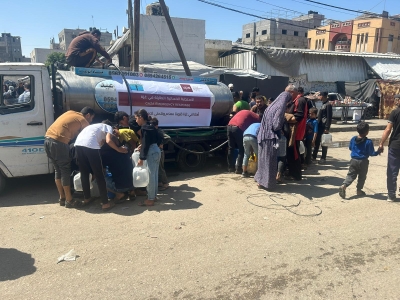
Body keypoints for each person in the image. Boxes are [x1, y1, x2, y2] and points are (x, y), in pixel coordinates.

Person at [44, 107, 95, 207]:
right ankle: (69, 200)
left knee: (57, 170)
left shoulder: (70, 112)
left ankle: (62, 197)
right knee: (65, 170)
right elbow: (86, 139)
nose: (91, 121)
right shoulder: (83, 121)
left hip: (47, 140)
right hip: (59, 143)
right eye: (92, 118)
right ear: (88, 115)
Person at [74, 123, 128, 211]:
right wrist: (119, 149)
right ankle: (105, 204)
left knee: (84, 173)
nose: (117, 136)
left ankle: (87, 198)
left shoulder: (95, 127)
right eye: (116, 134)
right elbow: (108, 141)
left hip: (78, 144)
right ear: (114, 129)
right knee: (99, 174)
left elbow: (101, 142)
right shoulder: (108, 127)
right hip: (90, 144)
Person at [255, 85, 295, 190]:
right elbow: (276, 124)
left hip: (262, 136)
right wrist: (280, 129)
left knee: (262, 161)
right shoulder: (281, 106)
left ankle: (260, 182)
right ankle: (268, 184)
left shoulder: (271, 106)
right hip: (270, 138)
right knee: (270, 162)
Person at [339, 122, 381, 199]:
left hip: (353, 160)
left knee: (351, 175)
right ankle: (359, 190)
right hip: (363, 161)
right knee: (362, 176)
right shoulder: (368, 142)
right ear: (367, 132)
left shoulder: (353, 139)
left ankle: (344, 185)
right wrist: (378, 151)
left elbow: (350, 148)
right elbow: (372, 153)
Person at [100, 121, 135, 204]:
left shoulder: (105, 154)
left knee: (100, 177)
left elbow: (103, 170)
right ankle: (132, 192)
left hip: (120, 187)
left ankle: (119, 194)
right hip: (133, 184)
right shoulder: (125, 149)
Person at [135, 109, 163, 206]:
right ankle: (153, 196)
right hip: (156, 150)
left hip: (151, 151)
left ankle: (150, 199)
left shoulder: (144, 128)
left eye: (136, 118)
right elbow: (159, 137)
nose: (136, 121)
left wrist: (141, 158)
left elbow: (146, 144)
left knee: (150, 176)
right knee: (154, 174)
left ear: (141, 118)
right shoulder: (151, 126)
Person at [378, 94, 400, 202]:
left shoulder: (395, 113)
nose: (396, 101)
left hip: (396, 146)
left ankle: (391, 195)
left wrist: (381, 142)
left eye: (397, 100)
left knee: (392, 170)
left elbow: (388, 130)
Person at [286, 86, 307, 181]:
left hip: (296, 132)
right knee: (293, 153)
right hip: (295, 131)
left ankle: (296, 175)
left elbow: (299, 115)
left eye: (286, 93)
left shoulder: (300, 100)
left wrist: (287, 117)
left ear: (291, 92)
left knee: (295, 154)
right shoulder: (297, 100)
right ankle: (292, 173)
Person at [149, 117, 170, 191]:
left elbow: (167, 138)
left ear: (156, 126)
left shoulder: (159, 131)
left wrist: (161, 143)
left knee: (160, 168)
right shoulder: (154, 131)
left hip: (160, 151)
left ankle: (165, 183)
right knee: (157, 168)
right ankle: (160, 182)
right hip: (157, 151)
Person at [312, 91, 332, 164]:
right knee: (317, 141)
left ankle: (323, 158)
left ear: (322, 96)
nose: (318, 97)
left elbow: (329, 117)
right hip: (320, 126)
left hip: (324, 127)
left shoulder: (328, 105)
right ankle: (314, 156)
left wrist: (327, 128)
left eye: (319, 96)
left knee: (324, 143)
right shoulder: (323, 104)